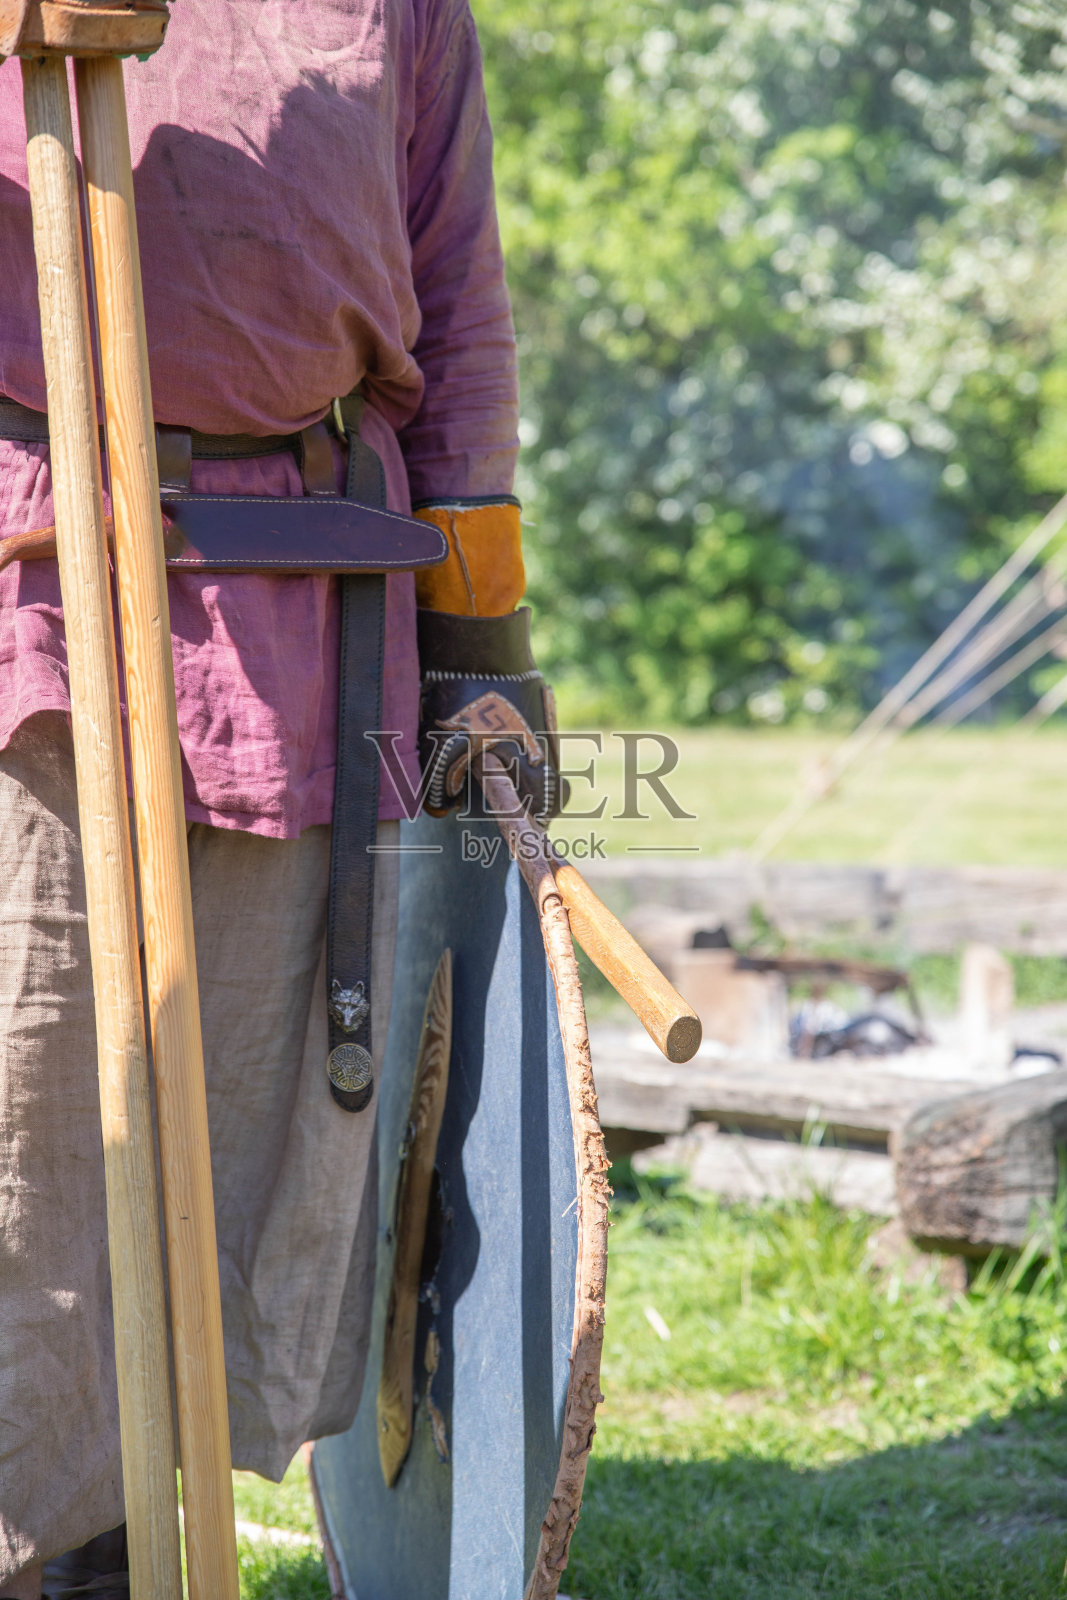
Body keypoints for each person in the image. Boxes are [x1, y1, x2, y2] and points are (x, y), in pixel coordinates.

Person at [0, 3, 563, 1594]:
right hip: (40, 573)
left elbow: (459, 317)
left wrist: (483, 646)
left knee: (251, 1119)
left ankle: (120, 1549)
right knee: (33, 1115)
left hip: (316, 601)